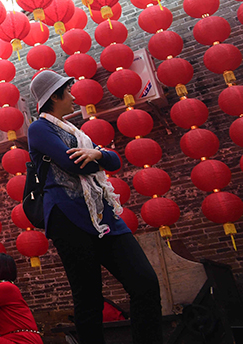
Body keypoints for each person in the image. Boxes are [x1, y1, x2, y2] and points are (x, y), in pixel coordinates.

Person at [27, 70, 162, 344]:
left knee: (145, 282)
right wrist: (99, 157)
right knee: (89, 299)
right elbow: (73, 164)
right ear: (55, 96)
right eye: (69, 90)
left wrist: (98, 153)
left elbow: (114, 161)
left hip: (103, 214)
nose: (74, 95)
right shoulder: (39, 128)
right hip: (67, 217)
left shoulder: (77, 133)